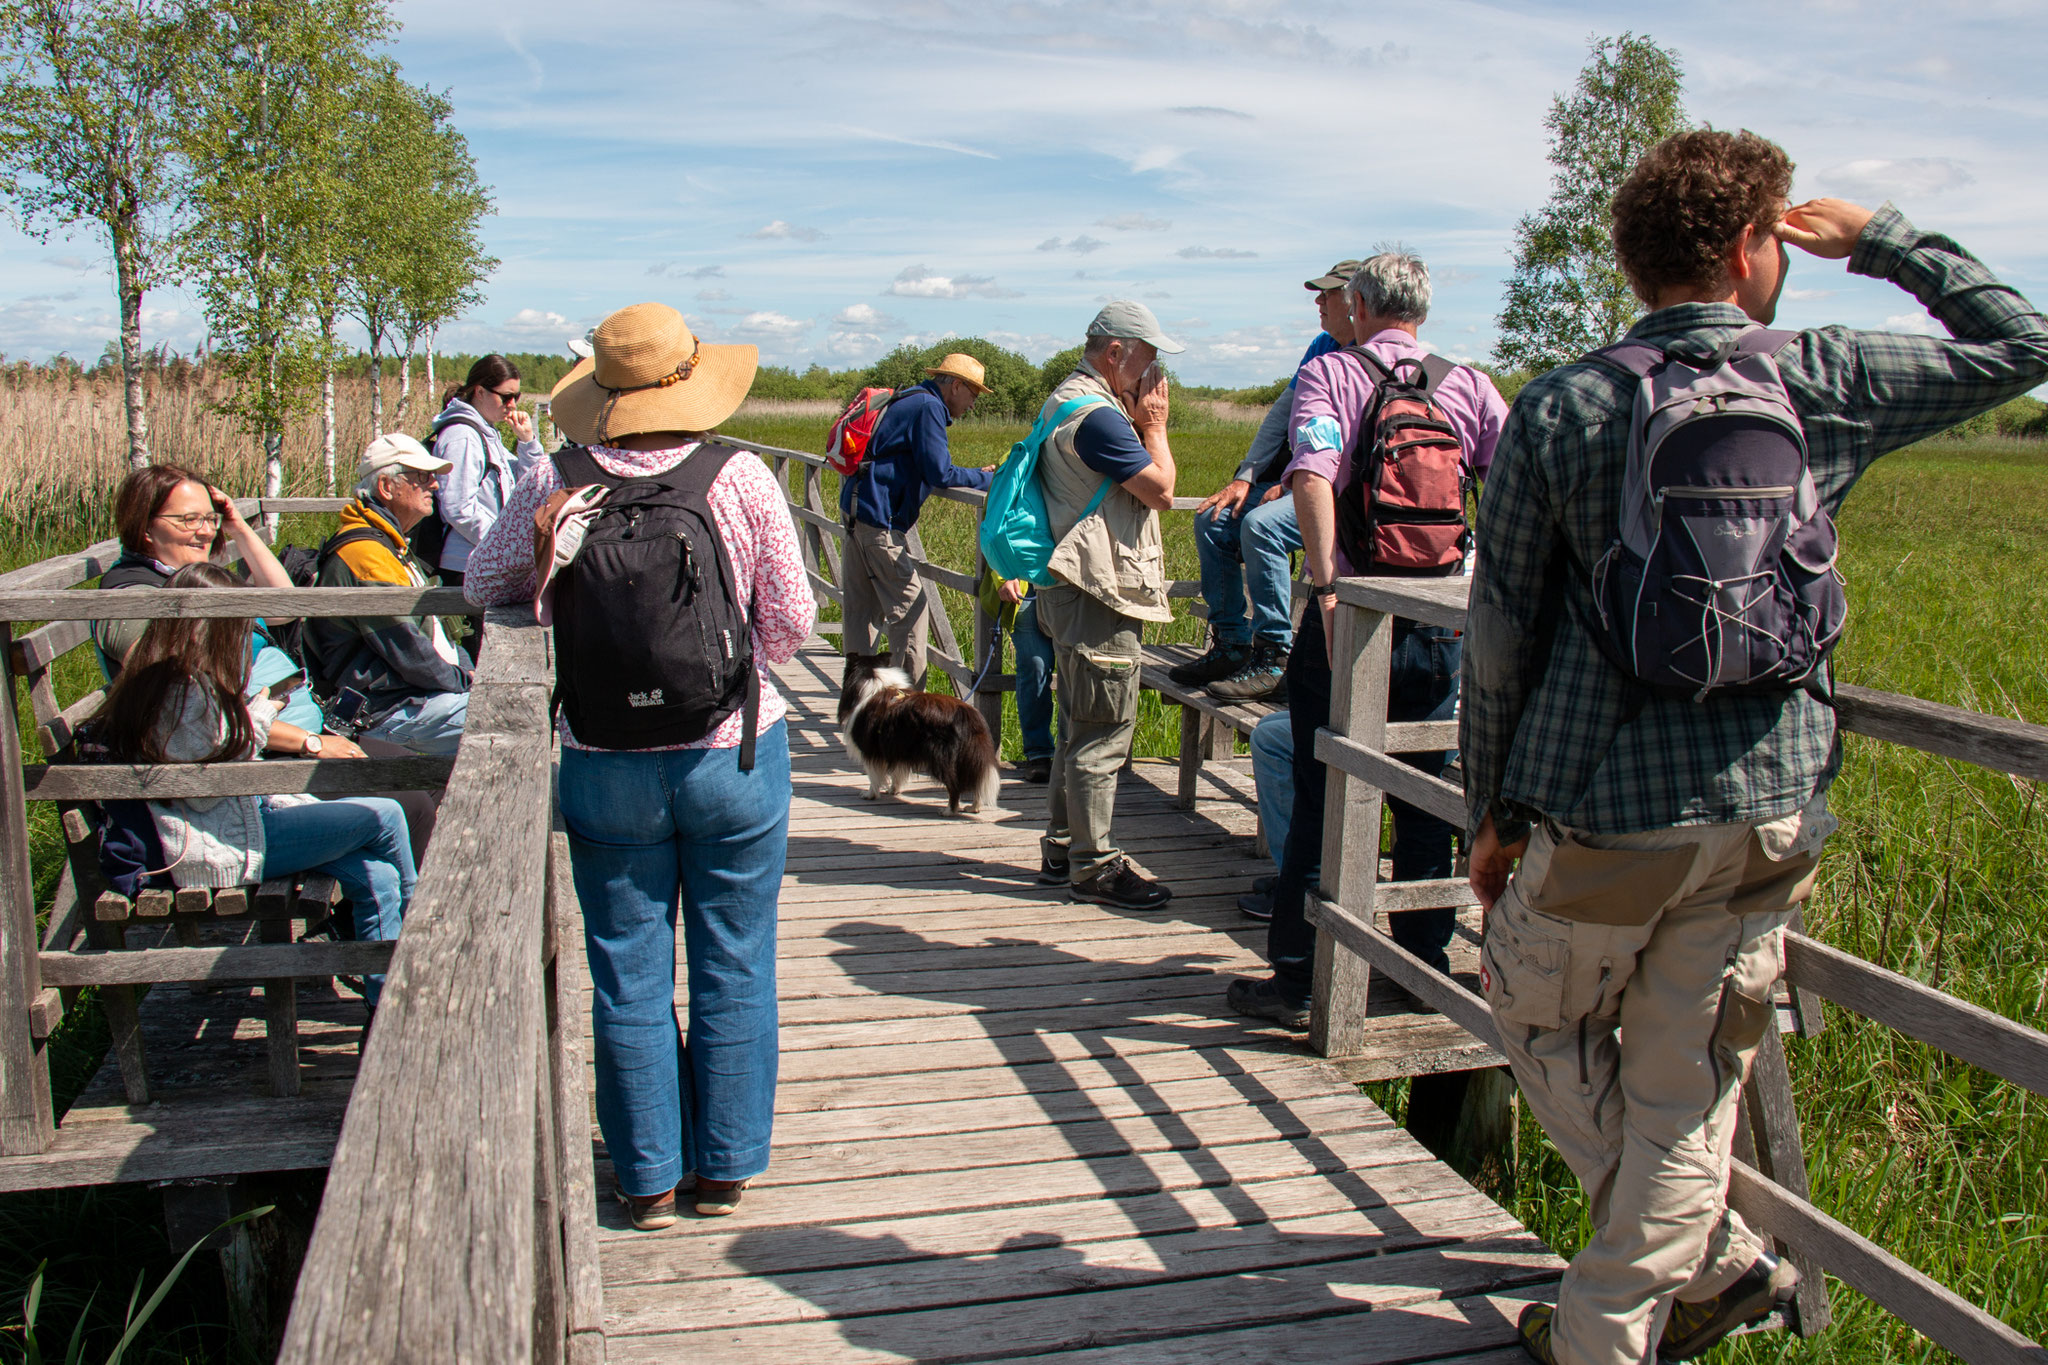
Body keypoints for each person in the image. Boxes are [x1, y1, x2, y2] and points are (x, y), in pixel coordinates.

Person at [1463, 132, 2048, 1365]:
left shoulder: (1566, 401)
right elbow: (2026, 343)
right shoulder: (1819, 378)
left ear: (1630, 262)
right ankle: (1682, 1282)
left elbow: (1502, 630)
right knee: (1684, 1086)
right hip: (1772, 805)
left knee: (1532, 1016)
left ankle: (1621, 1318)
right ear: (1750, 246)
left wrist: (1491, 810)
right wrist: (1883, 242)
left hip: (1603, 807)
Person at [464, 301, 816, 1229]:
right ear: (690, 379)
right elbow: (791, 622)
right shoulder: (739, 474)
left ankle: (648, 1176)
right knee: (736, 962)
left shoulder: (556, 471)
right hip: (730, 753)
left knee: (625, 970)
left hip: (602, 758)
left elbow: (482, 584)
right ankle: (728, 1165)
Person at [1227, 249, 1506, 1030]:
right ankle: (1422, 966)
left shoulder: (1337, 375)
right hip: (1441, 619)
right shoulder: (1467, 382)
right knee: (1425, 789)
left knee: (1324, 789)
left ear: (1359, 304)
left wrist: (1324, 584)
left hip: (1353, 618)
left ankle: (1299, 979)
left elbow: (1313, 474)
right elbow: (1512, 478)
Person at [96, 563, 416, 1012]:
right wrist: (262, 718)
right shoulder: (179, 691)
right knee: (384, 815)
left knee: (377, 874)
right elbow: (208, 784)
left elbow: (211, 754)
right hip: (213, 841)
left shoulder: (168, 678)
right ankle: (423, 945)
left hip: (229, 825)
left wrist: (254, 715)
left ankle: (388, 1005)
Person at [1035, 302, 1180, 910]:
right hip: (1097, 591)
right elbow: (1164, 490)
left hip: (1067, 588)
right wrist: (1155, 427)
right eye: (1149, 357)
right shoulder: (1100, 419)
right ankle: (1094, 866)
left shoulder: (1064, 399)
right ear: (1116, 352)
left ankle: (1063, 847)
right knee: (1103, 729)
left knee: (1077, 723)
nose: (1155, 376)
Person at [1173, 260, 1361, 702]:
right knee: (1214, 520)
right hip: (1302, 477)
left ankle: (1275, 652)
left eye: (1328, 293)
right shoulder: (1323, 345)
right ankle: (1233, 645)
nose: (1319, 301)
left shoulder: (1370, 357)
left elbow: (1351, 443)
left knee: (1263, 526)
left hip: (1340, 493)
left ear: (1356, 302)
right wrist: (1247, 476)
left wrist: (1297, 480)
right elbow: (1283, 411)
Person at [94, 464, 370, 762]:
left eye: (211, 518)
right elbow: (190, 709)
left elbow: (285, 609)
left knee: (414, 782)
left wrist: (237, 526)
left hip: (288, 736)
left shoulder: (193, 580)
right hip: (252, 755)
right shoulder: (131, 597)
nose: (207, 531)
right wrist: (310, 742)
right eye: (189, 520)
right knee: (406, 792)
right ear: (146, 526)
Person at [304, 434, 473, 756]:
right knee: (499, 723)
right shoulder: (365, 553)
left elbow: (441, 630)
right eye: (422, 477)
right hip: (387, 708)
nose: (435, 486)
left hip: (417, 693)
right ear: (386, 487)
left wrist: (464, 671)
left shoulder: (390, 544)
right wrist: (464, 679)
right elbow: (410, 655)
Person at [838, 352, 994, 686]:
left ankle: (858, 701)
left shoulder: (909, 397)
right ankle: (906, 706)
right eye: (973, 394)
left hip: (857, 510)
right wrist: (988, 481)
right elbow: (939, 471)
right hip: (879, 520)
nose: (972, 404)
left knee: (861, 615)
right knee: (912, 611)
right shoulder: (929, 407)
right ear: (956, 386)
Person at [431, 354, 543, 592]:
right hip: (465, 565)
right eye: (506, 396)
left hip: (482, 559)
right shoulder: (462, 436)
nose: (512, 404)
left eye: (516, 396)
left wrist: (527, 442)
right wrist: (502, 543)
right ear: (480, 392)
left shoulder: (485, 433)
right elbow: (458, 508)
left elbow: (529, 485)